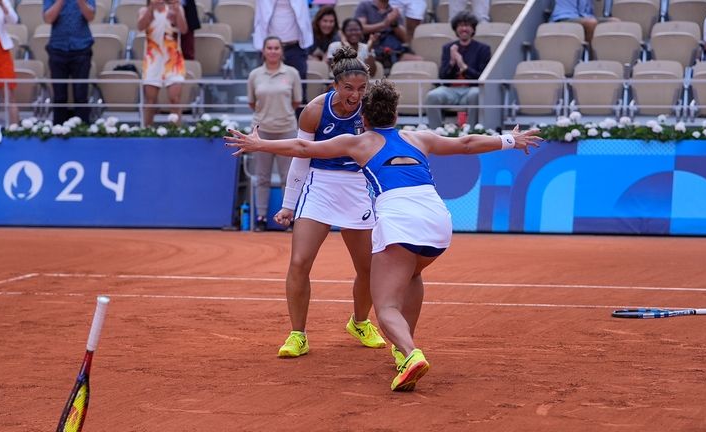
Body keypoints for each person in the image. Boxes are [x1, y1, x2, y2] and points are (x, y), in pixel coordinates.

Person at [225, 80, 541, 391]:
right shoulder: (418, 138)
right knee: (413, 273)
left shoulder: (359, 143)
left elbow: (303, 147)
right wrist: (510, 140)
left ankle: (410, 352)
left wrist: (258, 144)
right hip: (439, 223)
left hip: (400, 221)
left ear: (364, 118)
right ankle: (404, 347)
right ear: (396, 113)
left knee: (386, 306)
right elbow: (467, 144)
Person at [260, 46, 384, 358]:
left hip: (357, 187)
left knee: (368, 268)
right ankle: (297, 334)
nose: (355, 95)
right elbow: (301, 158)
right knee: (300, 262)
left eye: (361, 89)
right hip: (320, 186)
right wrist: (289, 204)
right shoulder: (315, 110)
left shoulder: (370, 110)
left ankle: (359, 322)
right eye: (348, 89)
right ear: (334, 86)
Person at [247, 36, 302, 232]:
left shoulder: (292, 73)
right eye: (269, 47)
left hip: (287, 130)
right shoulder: (255, 75)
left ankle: (290, 217)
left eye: (276, 48)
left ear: (281, 51)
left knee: (289, 176)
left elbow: (297, 102)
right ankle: (261, 217)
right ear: (263, 51)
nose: (272, 51)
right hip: (260, 132)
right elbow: (252, 103)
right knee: (262, 176)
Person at [425, 11, 490, 129]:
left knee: (475, 94)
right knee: (432, 96)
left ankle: (471, 131)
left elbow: (481, 77)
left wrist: (462, 65)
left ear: (473, 29)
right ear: (456, 29)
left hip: (471, 89)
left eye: (467, 25)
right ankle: (436, 131)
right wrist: (451, 62)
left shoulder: (483, 49)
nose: (464, 29)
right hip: (450, 90)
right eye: (461, 25)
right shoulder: (448, 48)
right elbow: (443, 77)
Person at [43, 0, 96, 125]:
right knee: (59, 96)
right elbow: (48, 18)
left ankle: (82, 133)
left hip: (81, 48)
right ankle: (59, 132)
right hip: (57, 48)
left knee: (81, 95)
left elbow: (91, 16)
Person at [137, 0, 188, 126]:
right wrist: (151, 9)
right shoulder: (144, 11)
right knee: (150, 100)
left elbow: (184, 29)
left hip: (173, 60)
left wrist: (177, 11)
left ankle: (176, 132)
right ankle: (147, 132)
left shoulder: (175, 9)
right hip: (153, 61)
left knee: (175, 99)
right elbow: (140, 27)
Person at [253, 0, 313, 107]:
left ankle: (299, 122)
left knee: (299, 90)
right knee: (265, 88)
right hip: (270, 47)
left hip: (295, 46)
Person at [355, 0, 421, 71]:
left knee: (418, 61)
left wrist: (394, 24)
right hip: (371, 51)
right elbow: (360, 28)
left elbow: (405, 39)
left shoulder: (393, 11)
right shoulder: (365, 5)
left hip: (393, 51)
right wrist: (384, 24)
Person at [0, 0, 19, 125]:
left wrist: (1, 4)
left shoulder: (1, 2)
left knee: (9, 96)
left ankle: (15, 131)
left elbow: (14, 20)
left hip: (1, 54)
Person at [549, 0, 619, 42]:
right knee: (590, 23)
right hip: (565, 18)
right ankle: (592, 59)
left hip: (585, 17)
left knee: (614, 22)